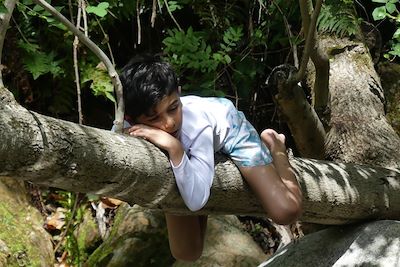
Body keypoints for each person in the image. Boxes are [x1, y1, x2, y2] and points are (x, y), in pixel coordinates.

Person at [118, 54, 302, 262]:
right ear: (130, 118)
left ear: (179, 94)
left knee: (286, 211)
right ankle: (195, 169)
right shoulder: (127, 125)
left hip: (231, 130)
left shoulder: (197, 124)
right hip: (194, 150)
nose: (169, 123)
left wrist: (175, 148)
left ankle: (276, 145)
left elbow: (197, 201)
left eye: (173, 108)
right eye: (154, 118)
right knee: (187, 252)